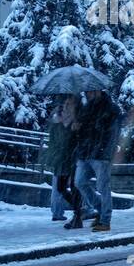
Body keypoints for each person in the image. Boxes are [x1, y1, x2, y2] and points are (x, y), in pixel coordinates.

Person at [72, 88, 124, 232]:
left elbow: (113, 133)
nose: (87, 94)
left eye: (89, 92)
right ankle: (100, 209)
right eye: (86, 92)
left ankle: (105, 220)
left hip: (101, 154)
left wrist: (106, 151)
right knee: (79, 182)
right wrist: (78, 127)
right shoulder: (87, 108)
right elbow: (83, 131)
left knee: (103, 187)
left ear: (98, 92)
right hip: (85, 152)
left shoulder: (111, 109)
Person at [42, 95, 83, 226]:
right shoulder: (58, 121)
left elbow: (77, 141)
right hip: (61, 159)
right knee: (60, 187)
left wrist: (76, 130)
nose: (67, 106)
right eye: (66, 104)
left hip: (72, 159)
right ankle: (79, 210)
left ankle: (77, 215)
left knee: (74, 187)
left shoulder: (76, 121)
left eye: (69, 104)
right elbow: (54, 141)